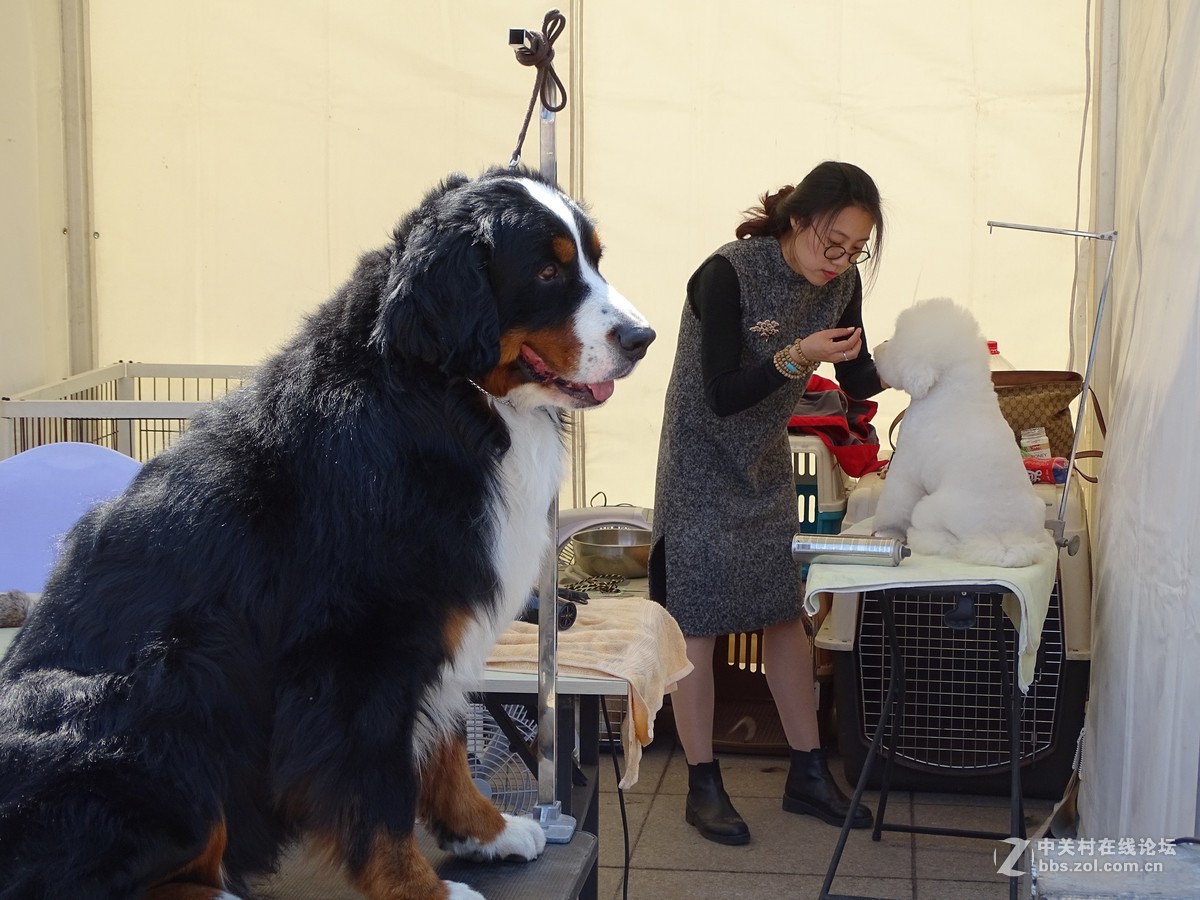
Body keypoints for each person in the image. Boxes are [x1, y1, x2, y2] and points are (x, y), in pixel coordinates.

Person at [649, 160, 889, 845]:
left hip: (763, 467)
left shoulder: (842, 283)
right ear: (797, 221)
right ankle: (703, 781)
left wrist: (931, 363)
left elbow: (860, 375)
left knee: (784, 615)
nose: (838, 261)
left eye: (853, 249)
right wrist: (797, 352)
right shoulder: (727, 274)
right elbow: (723, 392)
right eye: (829, 242)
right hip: (699, 463)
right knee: (696, 622)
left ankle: (808, 773)